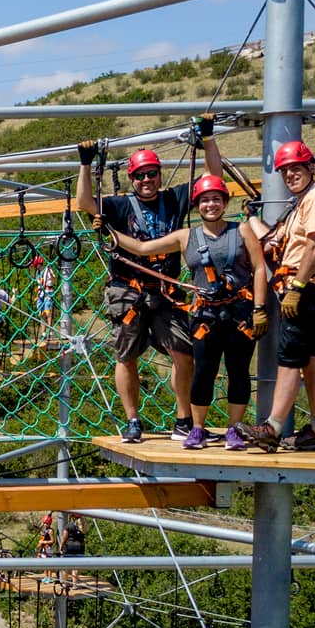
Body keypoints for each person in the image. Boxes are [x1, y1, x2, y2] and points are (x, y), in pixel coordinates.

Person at [109, 173, 269, 450]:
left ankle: (234, 429)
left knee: (238, 370)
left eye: (216, 199)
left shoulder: (242, 231)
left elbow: (258, 269)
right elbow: (144, 248)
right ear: (197, 205)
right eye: (205, 200)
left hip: (239, 313)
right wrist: (109, 232)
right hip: (206, 316)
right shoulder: (186, 236)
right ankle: (196, 428)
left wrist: (260, 308)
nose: (211, 205)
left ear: (224, 202)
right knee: (204, 371)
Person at [77, 126, 216, 443]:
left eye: (151, 174)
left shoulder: (175, 198)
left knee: (184, 354)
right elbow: (85, 201)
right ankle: (133, 420)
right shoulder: (118, 206)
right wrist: (85, 163)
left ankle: (183, 420)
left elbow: (213, 177)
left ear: (159, 174)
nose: (146, 180)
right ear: (132, 179)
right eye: (140, 176)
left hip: (165, 291)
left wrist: (208, 140)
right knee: (126, 356)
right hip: (128, 290)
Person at [237, 141, 315, 452]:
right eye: (286, 171)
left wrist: (297, 288)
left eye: (295, 169)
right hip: (312, 288)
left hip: (309, 288)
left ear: (310, 167)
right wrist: (252, 219)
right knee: (310, 358)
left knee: (289, 358)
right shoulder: (304, 201)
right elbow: (276, 240)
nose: (290, 175)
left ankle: (272, 427)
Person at [35, 256, 57, 340]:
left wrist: (50, 273)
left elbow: (53, 278)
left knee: (48, 313)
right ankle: (43, 333)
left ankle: (50, 332)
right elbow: (39, 282)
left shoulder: (48, 269)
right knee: (41, 314)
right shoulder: (37, 272)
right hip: (40, 293)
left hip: (48, 291)